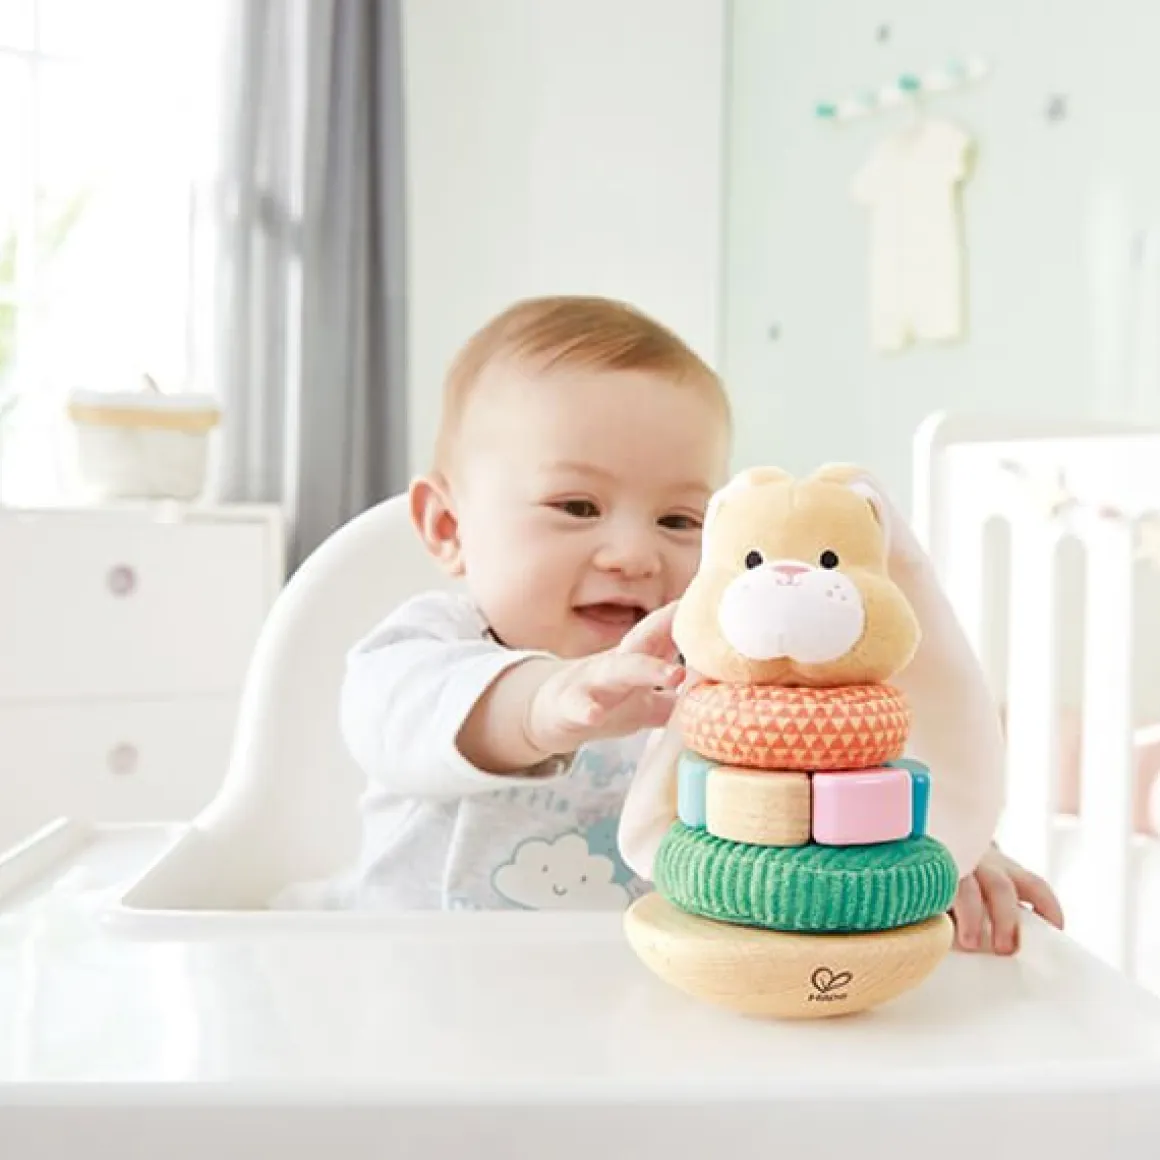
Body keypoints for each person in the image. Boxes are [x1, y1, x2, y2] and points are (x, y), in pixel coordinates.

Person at [338, 294, 1063, 953]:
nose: (633, 555)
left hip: (644, 1003)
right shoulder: (426, 647)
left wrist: (944, 849)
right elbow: (399, 718)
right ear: (447, 526)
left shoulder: (722, 681)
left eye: (681, 520)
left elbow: (835, 790)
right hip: (422, 989)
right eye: (577, 507)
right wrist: (546, 701)